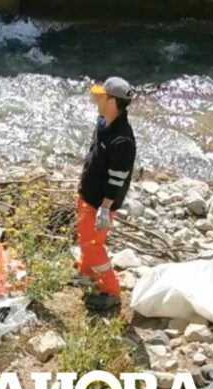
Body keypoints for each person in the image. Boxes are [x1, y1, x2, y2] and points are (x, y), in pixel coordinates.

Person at [77, 77, 137, 311]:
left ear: (112, 100)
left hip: (99, 203)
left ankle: (110, 291)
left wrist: (104, 208)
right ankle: (85, 273)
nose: (95, 98)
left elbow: (117, 178)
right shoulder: (103, 122)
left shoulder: (122, 140)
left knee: (93, 245)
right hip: (87, 197)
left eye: (100, 95)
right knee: (85, 241)